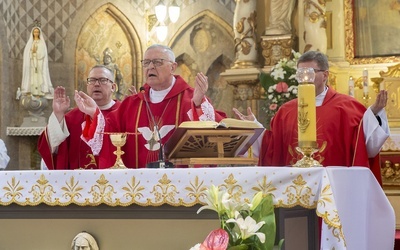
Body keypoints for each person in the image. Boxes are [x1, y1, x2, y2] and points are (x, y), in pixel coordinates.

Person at [234, 51, 389, 184]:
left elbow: (366, 147)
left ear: (325, 75)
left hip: (334, 187)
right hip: (294, 186)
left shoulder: (347, 108)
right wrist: (253, 127)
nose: (304, 78)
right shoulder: (286, 111)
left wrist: (373, 113)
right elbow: (272, 147)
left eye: (309, 72)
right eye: (300, 73)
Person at [74, 44, 226, 169]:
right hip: (139, 187)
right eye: (146, 63)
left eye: (157, 62)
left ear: (173, 67)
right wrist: (94, 113)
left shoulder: (191, 98)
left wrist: (198, 105)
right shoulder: (132, 104)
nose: (150, 67)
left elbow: (215, 136)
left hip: (181, 186)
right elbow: (108, 132)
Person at [38, 65, 121, 170]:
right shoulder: (73, 117)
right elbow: (49, 148)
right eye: (92, 80)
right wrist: (58, 115)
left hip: (114, 181)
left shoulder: (123, 113)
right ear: (87, 85)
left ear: (113, 87)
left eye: (102, 80)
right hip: (79, 183)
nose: (96, 84)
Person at [21, 26, 54, 98]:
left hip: (39, 63)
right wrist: (31, 53)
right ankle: (32, 91)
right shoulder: (30, 43)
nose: (36, 33)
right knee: (32, 77)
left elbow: (43, 54)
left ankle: (40, 92)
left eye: (37, 32)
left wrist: (36, 52)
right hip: (32, 63)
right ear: (32, 33)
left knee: (39, 77)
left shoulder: (41, 43)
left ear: (39, 33)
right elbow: (27, 54)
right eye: (35, 32)